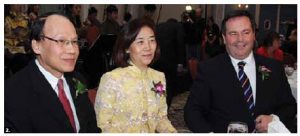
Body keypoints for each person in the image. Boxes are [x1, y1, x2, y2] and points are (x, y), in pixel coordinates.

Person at [184, 10, 296, 133]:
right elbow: (192, 111)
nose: (240, 39)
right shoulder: (209, 69)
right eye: (233, 33)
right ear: (224, 38)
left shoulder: (273, 67)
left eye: (246, 32)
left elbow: (289, 106)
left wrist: (274, 120)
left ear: (254, 35)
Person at [5, 12, 100, 133]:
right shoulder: (12, 94)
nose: (72, 50)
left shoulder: (78, 79)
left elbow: (91, 127)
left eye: (75, 41)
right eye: (61, 41)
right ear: (37, 46)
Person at [94, 18, 176, 133]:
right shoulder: (112, 79)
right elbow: (103, 125)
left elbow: (160, 118)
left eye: (152, 40)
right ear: (127, 48)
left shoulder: (158, 77)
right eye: (140, 42)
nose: (148, 47)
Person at [155, 18, 186, 107]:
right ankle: (165, 107)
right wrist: (180, 62)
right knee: (169, 85)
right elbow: (180, 43)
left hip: (157, 60)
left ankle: (158, 103)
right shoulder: (178, 26)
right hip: (170, 61)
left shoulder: (158, 26)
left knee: (158, 83)